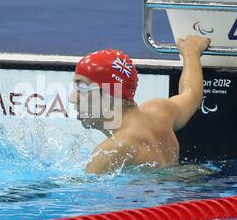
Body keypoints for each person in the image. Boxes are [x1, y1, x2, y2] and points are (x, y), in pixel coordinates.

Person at [69, 35, 211, 174]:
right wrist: (191, 52)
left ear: (111, 94)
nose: (72, 98)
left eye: (82, 88)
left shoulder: (109, 152)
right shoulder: (159, 112)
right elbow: (191, 94)